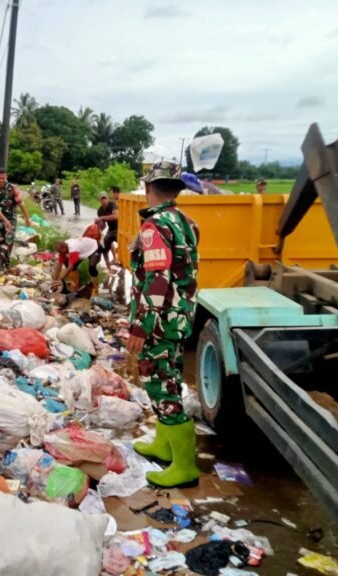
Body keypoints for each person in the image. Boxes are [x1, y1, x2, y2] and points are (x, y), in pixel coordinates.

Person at [128, 160, 200, 488]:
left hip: (159, 320)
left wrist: (141, 326)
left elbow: (158, 278)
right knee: (167, 379)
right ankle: (165, 445)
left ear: (148, 188)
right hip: (179, 315)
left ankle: (184, 467)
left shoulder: (154, 226)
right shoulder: (187, 221)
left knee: (160, 382)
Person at [0, 168, 32, 271]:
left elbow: (21, 204)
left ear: (6, 177)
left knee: (9, 241)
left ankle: (1, 263)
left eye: (3, 178)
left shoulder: (13, 188)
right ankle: (6, 263)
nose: (1, 180)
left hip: (11, 219)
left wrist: (27, 218)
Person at [95, 190, 119, 268]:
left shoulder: (112, 205)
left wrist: (102, 217)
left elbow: (116, 216)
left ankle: (119, 259)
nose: (104, 200)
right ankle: (108, 266)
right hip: (111, 229)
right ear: (99, 200)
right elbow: (103, 225)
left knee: (124, 245)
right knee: (104, 245)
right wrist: (98, 228)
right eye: (102, 198)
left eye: (105, 198)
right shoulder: (100, 210)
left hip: (120, 228)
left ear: (107, 198)